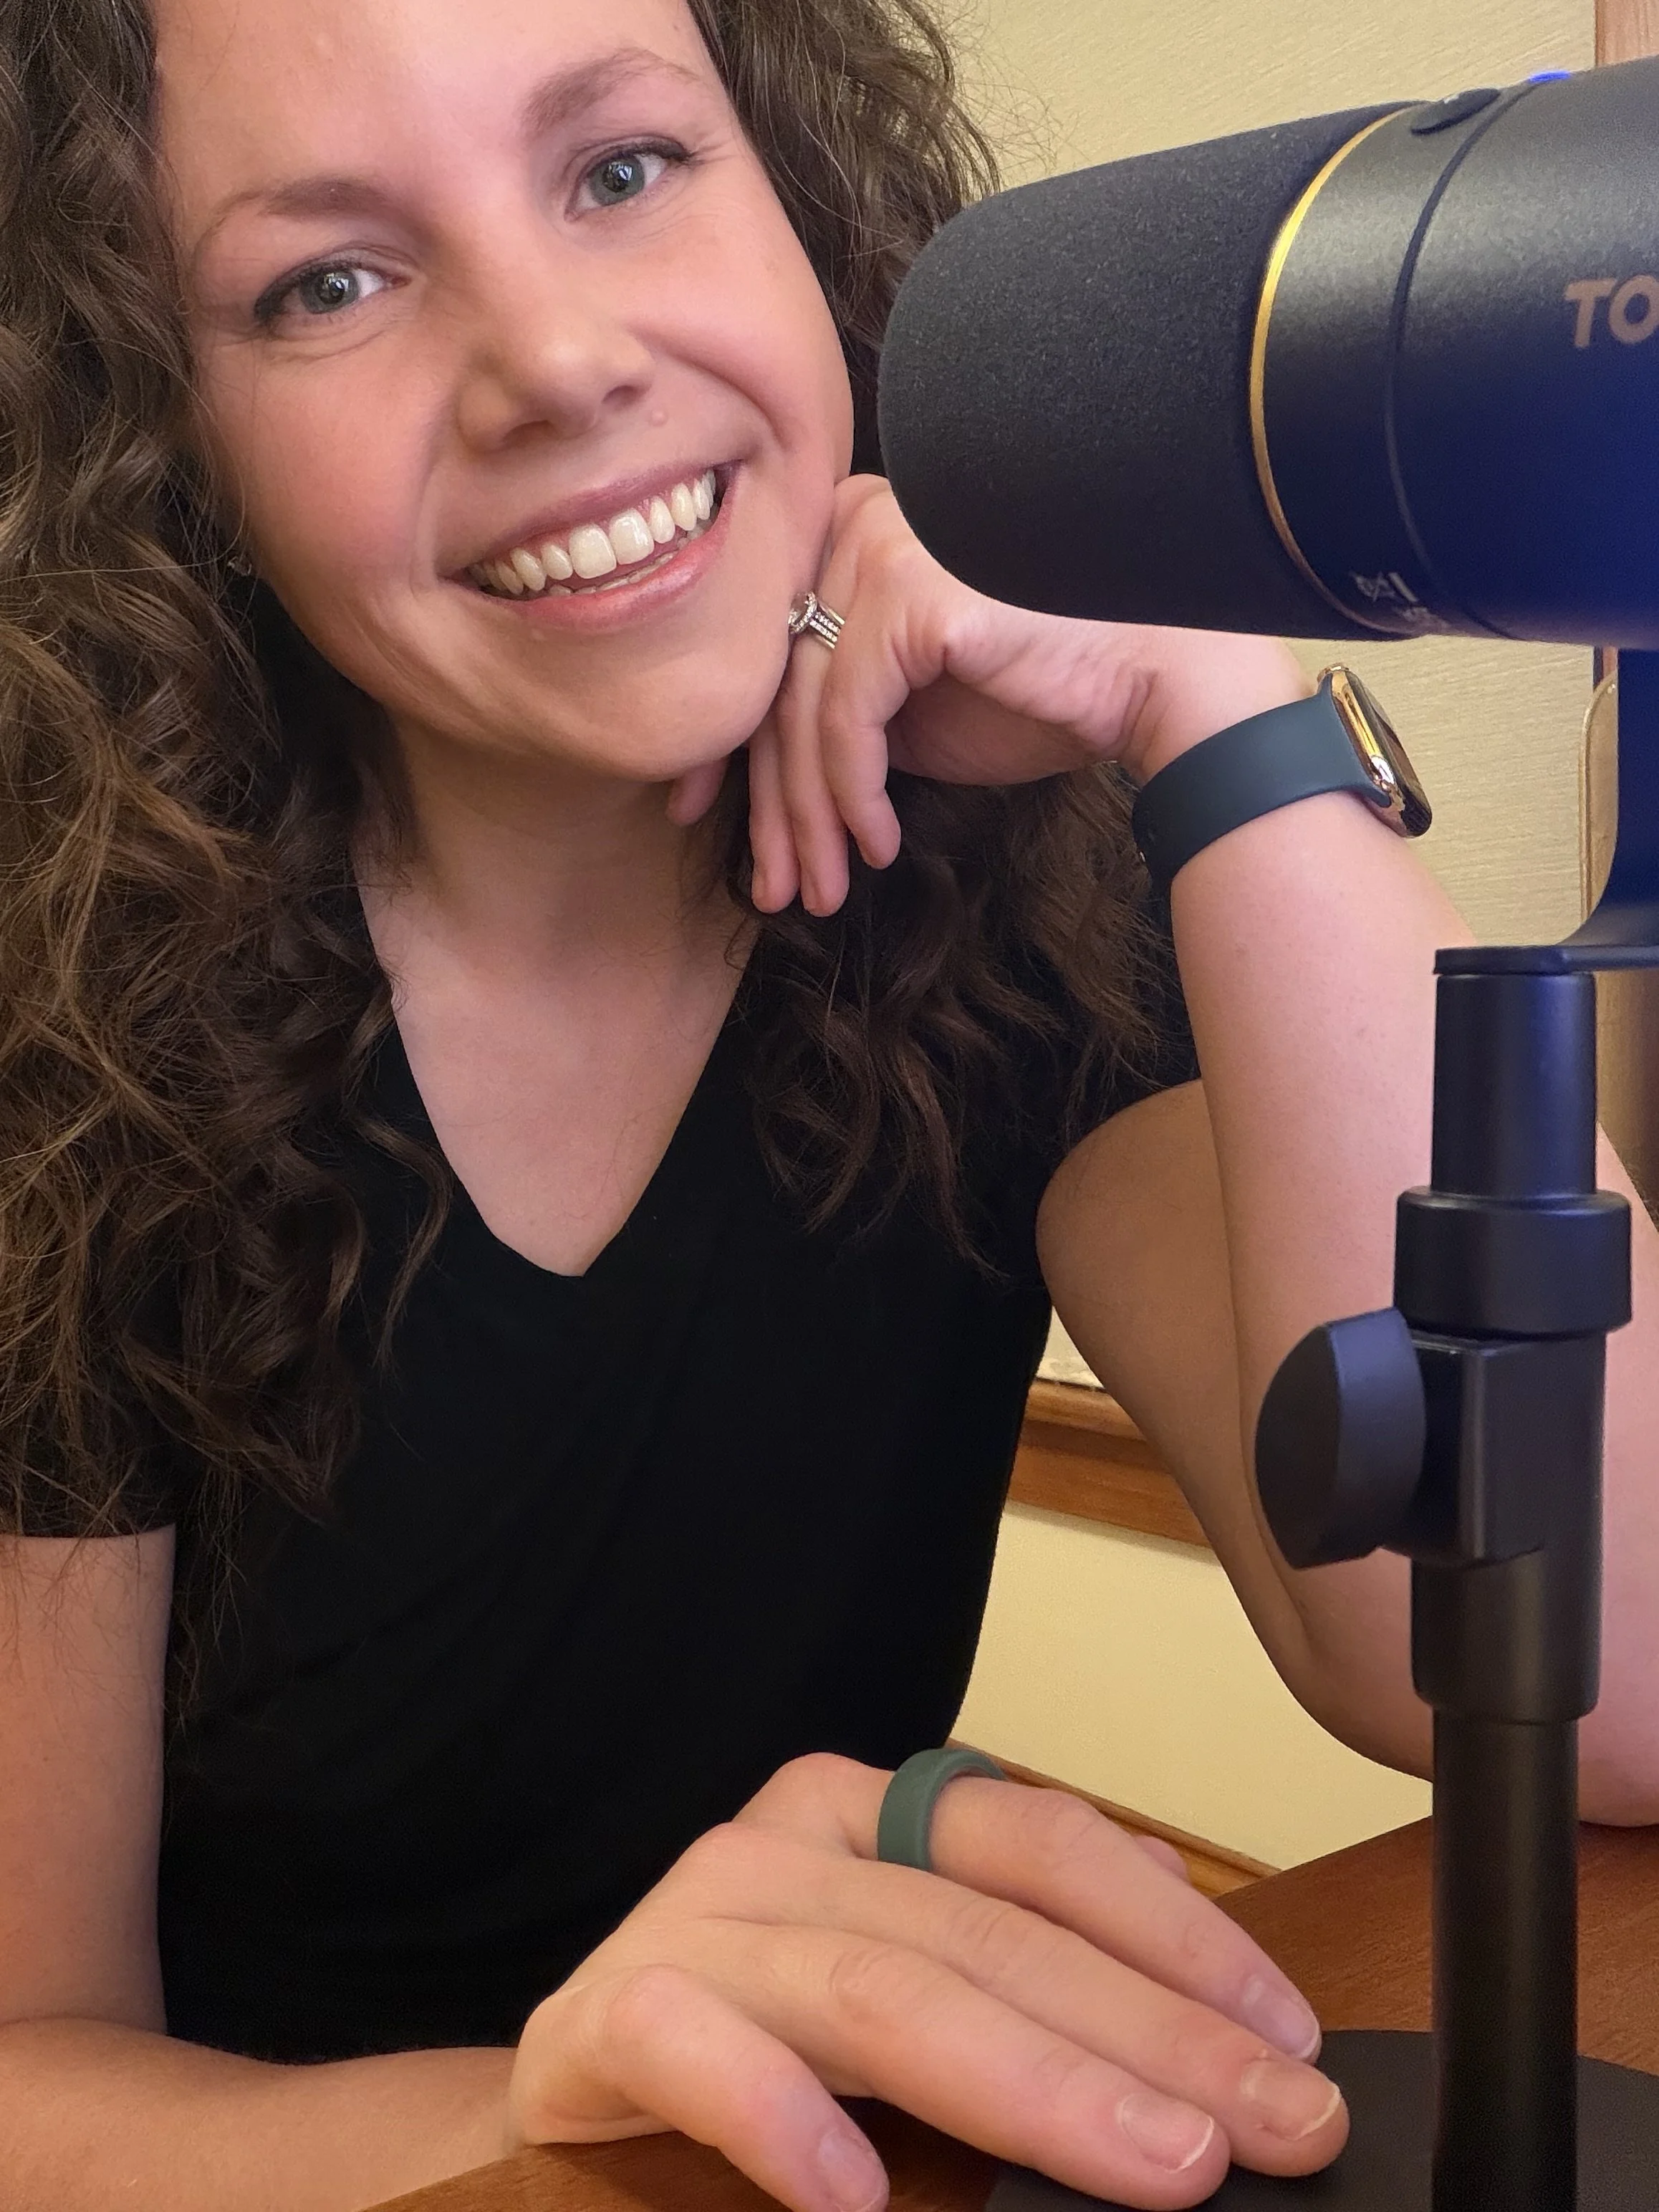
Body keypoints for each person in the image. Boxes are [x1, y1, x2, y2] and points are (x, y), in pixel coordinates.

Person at [3, 1, 1658, 2208]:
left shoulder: (1025, 913)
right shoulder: (67, 1056)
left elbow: (1610, 1692)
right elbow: (24, 2068)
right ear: (158, 423)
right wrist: (535, 2116)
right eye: (326, 282)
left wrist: (1207, 704)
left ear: (801, 207)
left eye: (620, 169)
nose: (553, 359)